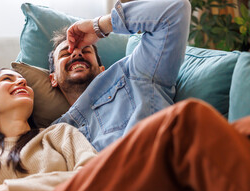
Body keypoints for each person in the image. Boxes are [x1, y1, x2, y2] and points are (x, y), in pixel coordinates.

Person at [0, 98, 250, 191]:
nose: (20, 83)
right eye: (7, 78)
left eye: (25, 81)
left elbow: (87, 174)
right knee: (184, 124)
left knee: (241, 132)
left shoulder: (60, 132)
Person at [49, 0, 191, 152]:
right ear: (53, 78)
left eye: (86, 50)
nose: (77, 52)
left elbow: (175, 10)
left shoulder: (135, 73)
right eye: (65, 53)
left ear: (102, 69)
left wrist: (99, 26)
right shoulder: (54, 134)